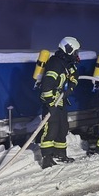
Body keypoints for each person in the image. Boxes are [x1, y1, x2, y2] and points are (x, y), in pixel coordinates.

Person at [38, 36, 80, 168]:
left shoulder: (66, 64)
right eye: (75, 52)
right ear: (68, 49)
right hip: (52, 102)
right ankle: (47, 158)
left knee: (62, 128)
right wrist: (50, 103)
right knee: (51, 129)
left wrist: (71, 85)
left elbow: (75, 76)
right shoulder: (55, 63)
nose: (76, 55)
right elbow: (47, 85)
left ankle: (60, 154)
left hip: (60, 101)